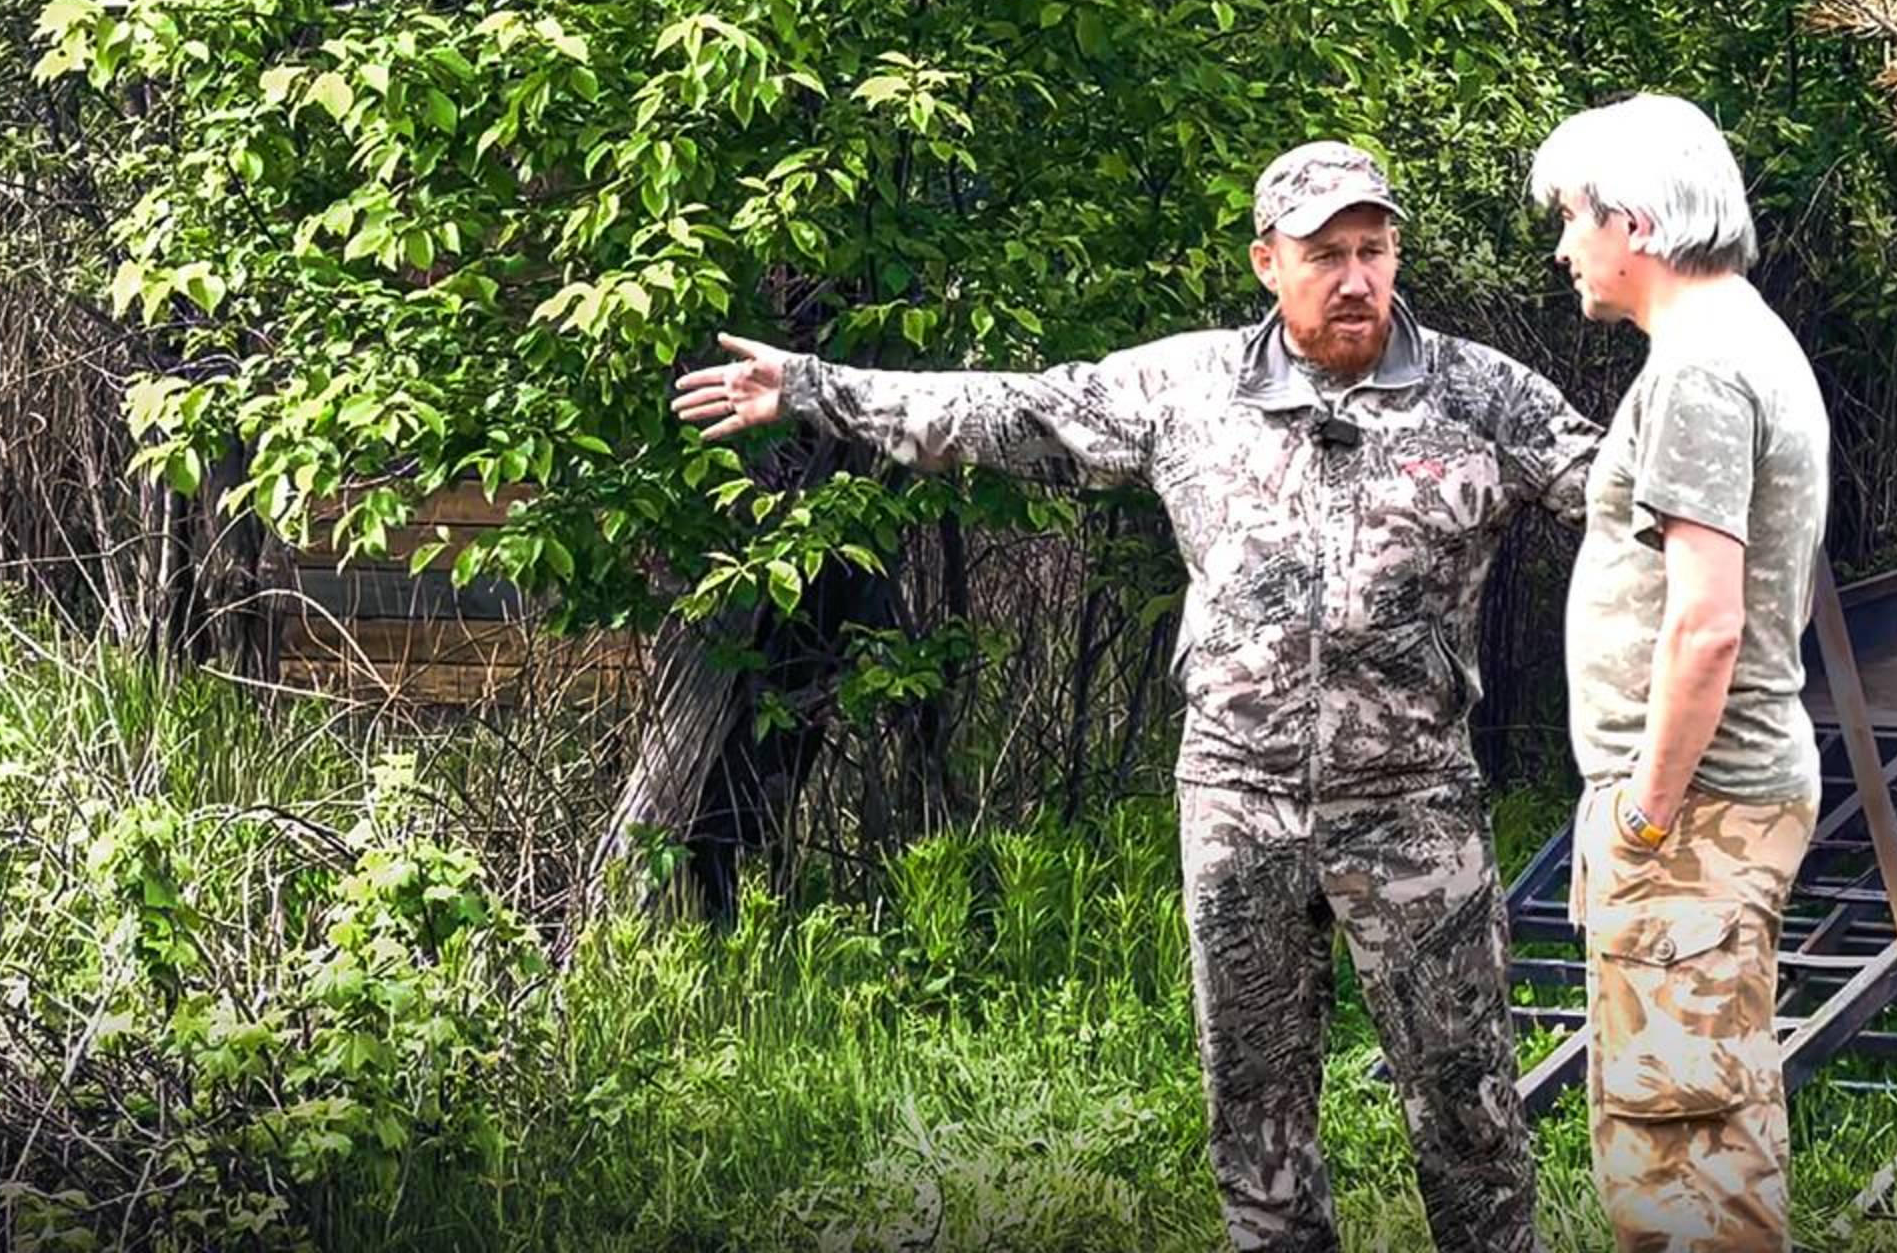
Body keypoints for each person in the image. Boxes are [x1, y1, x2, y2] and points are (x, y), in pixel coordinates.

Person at [672, 141, 1599, 1253]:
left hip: (1414, 811)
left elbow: (1636, 500)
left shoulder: (1481, 394)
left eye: (1373, 250)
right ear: (1268, 261)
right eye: (1324, 254)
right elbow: (1008, 413)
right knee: (1255, 1118)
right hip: (1236, 802)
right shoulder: (1185, 387)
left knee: (1469, 1114)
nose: (1354, 278)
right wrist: (816, 388)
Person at [1530, 95, 1831, 1253]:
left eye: (1573, 217)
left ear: (1636, 224)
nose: (1565, 246)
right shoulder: (1742, 339)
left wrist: (1646, 817)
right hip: (1717, 804)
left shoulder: (1698, 372)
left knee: (1681, 1163)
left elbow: (1704, 627)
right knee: (1711, 1126)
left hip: (1696, 814)